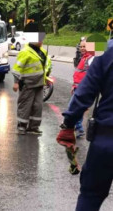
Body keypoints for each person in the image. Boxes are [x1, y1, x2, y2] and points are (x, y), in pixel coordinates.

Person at [56, 47, 113, 210]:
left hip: (106, 139)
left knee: (91, 195)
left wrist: (68, 125)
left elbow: (84, 93)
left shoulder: (107, 55)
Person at [12, 22, 52, 135]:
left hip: (39, 84)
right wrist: (16, 82)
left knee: (38, 106)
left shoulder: (43, 52)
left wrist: (47, 77)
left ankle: (33, 127)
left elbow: (45, 67)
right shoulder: (25, 52)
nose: (41, 41)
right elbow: (17, 68)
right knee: (25, 106)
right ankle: (22, 126)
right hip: (27, 85)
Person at [69, 41, 94, 138]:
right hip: (77, 87)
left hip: (83, 89)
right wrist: (73, 86)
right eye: (81, 46)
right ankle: (77, 128)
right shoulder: (83, 58)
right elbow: (78, 74)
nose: (82, 48)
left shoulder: (90, 59)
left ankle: (79, 128)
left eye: (85, 46)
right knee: (75, 107)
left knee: (74, 107)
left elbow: (91, 77)